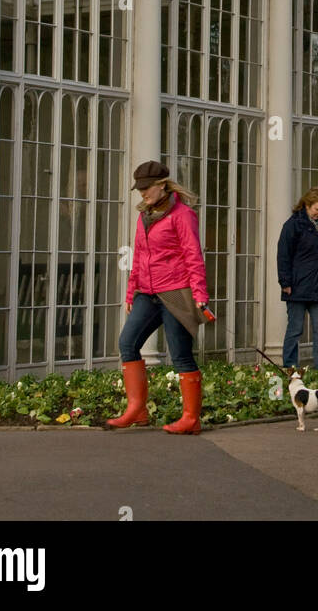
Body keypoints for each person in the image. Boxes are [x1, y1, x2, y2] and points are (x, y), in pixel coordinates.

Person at [108, 160, 211, 434]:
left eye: (146, 188)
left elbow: (193, 255)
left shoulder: (183, 215)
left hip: (176, 292)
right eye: (139, 188)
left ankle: (191, 418)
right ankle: (137, 410)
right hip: (147, 293)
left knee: (180, 355)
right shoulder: (144, 215)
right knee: (127, 343)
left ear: (162, 185)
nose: (142, 193)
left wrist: (200, 294)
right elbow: (139, 255)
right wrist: (132, 291)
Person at [277, 187, 318, 371]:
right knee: (295, 329)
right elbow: (283, 255)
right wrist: (285, 282)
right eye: (317, 209)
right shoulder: (293, 225)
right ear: (307, 206)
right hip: (297, 286)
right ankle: (290, 367)